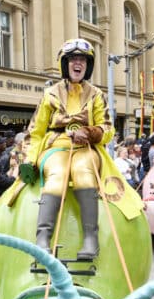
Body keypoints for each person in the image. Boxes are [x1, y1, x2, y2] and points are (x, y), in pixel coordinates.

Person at [19, 38, 142, 260]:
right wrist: (29, 159)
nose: (78, 63)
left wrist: (90, 132)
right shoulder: (50, 94)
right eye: (74, 59)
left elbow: (108, 129)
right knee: (57, 175)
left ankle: (90, 239)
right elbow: (35, 131)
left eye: (83, 60)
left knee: (83, 172)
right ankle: (43, 239)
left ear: (88, 65)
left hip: (86, 149)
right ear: (65, 63)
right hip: (56, 147)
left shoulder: (96, 94)